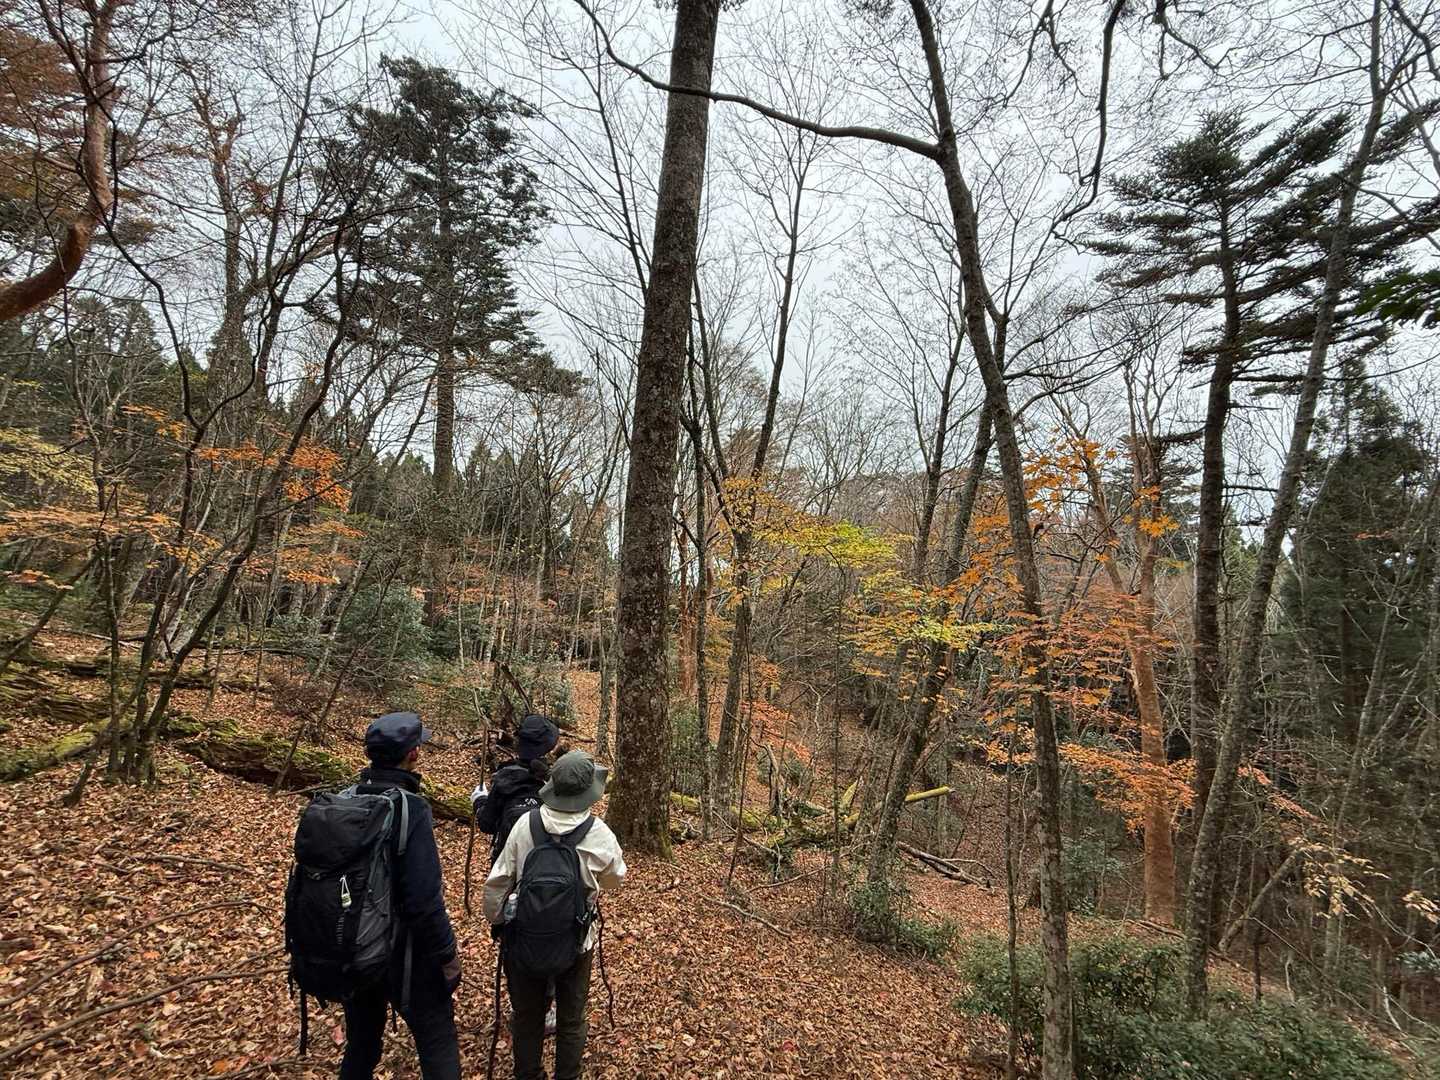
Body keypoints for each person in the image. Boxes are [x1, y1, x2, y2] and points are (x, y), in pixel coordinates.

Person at [484, 750, 626, 1080]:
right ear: (588, 793)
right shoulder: (599, 834)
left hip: (523, 937)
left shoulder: (526, 824)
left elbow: (498, 882)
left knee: (527, 1017)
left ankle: (528, 1074)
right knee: (572, 1019)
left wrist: (498, 921)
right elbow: (615, 879)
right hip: (577, 941)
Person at [340, 712, 462, 1080]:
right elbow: (423, 900)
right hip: (405, 954)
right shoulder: (412, 808)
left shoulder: (345, 801)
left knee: (361, 1044)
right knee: (437, 1040)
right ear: (413, 754)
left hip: (353, 946)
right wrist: (446, 954)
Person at [472, 713, 561, 859]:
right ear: (549, 747)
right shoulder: (556, 782)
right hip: (545, 862)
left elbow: (486, 824)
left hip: (507, 863)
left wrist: (479, 800)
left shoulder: (504, 778)